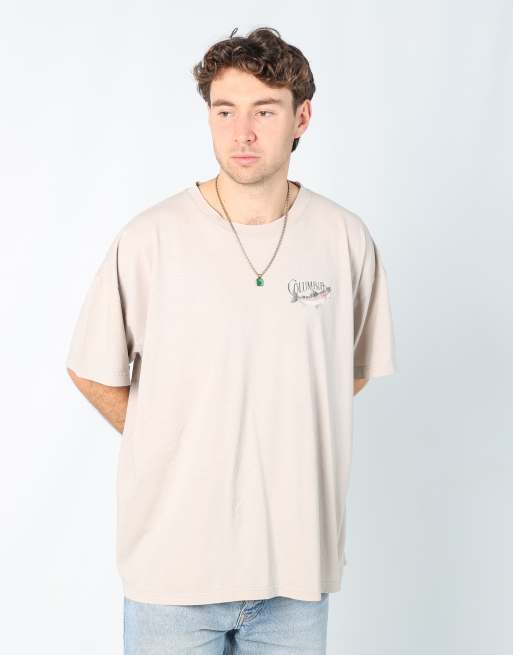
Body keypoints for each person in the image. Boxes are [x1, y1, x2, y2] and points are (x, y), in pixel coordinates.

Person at [66, 26, 397, 655]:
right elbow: (90, 369)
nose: (242, 132)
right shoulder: (150, 239)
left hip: (295, 577)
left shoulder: (344, 239)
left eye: (264, 111)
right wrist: (174, 437)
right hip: (171, 574)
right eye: (225, 111)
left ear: (301, 118)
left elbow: (347, 370)